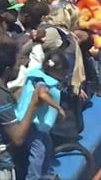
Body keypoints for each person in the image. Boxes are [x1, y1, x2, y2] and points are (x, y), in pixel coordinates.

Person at [0, 32, 50, 179]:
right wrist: (33, 103)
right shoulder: (0, 97)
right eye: (17, 65)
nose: (19, 68)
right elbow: (18, 138)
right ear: (7, 70)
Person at [15, 50, 69, 180]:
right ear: (56, 71)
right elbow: (41, 94)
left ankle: (45, 174)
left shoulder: (40, 74)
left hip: (40, 126)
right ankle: (32, 177)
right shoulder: (42, 82)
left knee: (47, 145)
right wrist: (58, 108)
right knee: (38, 152)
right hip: (32, 124)